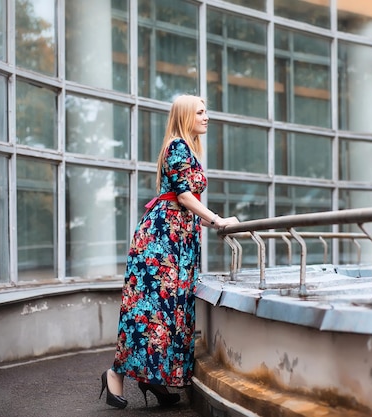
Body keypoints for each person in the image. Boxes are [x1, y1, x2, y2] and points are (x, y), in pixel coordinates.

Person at [98, 94, 239, 409]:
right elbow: (184, 196)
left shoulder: (187, 148)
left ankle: (154, 379)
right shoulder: (176, 146)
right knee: (148, 311)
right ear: (186, 115)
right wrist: (217, 220)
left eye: (207, 111)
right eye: (201, 112)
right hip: (162, 240)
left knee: (170, 312)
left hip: (179, 239)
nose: (206, 117)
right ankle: (115, 373)